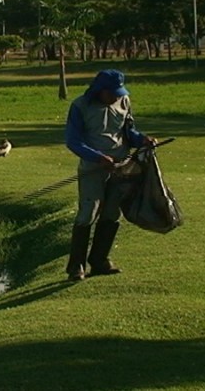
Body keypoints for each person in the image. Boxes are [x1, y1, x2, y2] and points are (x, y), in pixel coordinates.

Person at [64, 69, 155, 281]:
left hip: (121, 166)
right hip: (92, 169)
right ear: (99, 90)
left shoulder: (124, 101)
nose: (117, 96)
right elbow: (73, 141)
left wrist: (143, 140)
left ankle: (100, 261)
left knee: (112, 213)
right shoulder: (80, 106)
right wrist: (98, 158)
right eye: (112, 93)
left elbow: (128, 132)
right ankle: (76, 267)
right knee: (88, 212)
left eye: (119, 92)